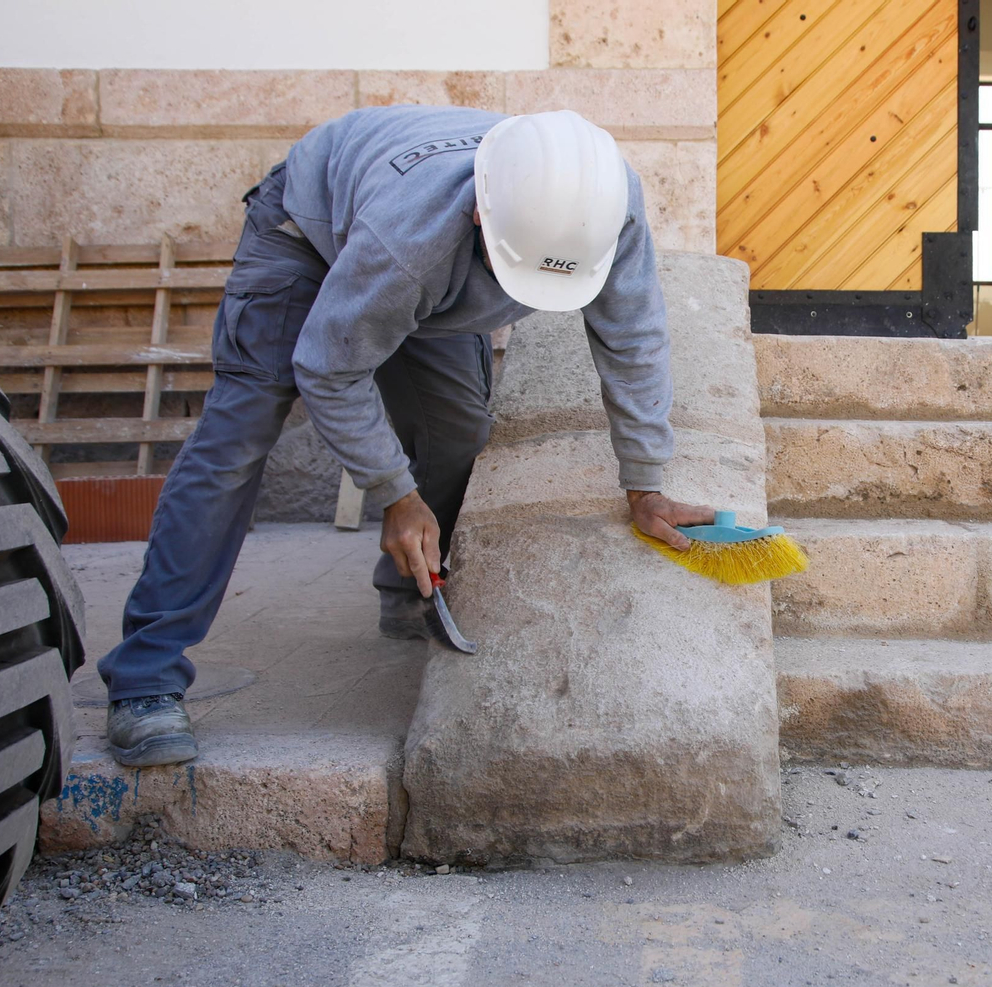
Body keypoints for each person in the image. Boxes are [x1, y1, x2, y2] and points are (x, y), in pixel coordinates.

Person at [97, 107, 714, 767]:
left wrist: (644, 484)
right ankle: (145, 677)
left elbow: (635, 339)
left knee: (458, 430)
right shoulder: (412, 236)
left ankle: (409, 587)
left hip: (433, 266)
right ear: (483, 214)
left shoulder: (603, 208)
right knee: (238, 440)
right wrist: (394, 493)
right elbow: (329, 369)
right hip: (310, 234)